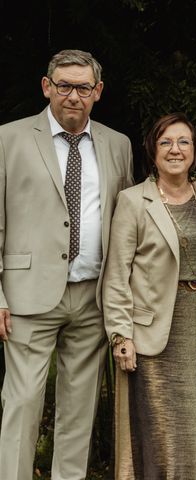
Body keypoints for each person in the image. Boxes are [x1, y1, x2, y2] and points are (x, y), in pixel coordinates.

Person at [0, 49, 133, 480]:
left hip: (92, 295)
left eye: (82, 87)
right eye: (64, 86)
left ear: (97, 92)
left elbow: (126, 221)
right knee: (21, 405)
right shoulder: (9, 138)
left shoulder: (118, 144)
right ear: (46, 87)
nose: (73, 95)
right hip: (27, 295)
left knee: (79, 410)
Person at [102, 113, 196, 479]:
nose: (175, 150)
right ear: (152, 151)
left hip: (191, 321)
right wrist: (121, 335)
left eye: (184, 142)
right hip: (148, 329)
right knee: (154, 426)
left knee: (185, 425)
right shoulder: (133, 201)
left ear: (195, 152)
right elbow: (117, 274)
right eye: (165, 142)